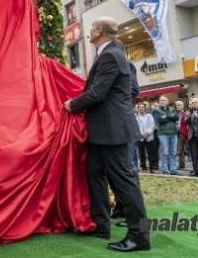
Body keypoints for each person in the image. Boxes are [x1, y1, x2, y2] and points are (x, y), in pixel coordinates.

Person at [65, 16, 150, 252]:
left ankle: (140, 235)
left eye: (92, 27)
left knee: (124, 183)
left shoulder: (111, 55)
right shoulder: (108, 54)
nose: (89, 30)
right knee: (94, 174)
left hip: (113, 130)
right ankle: (100, 224)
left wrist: (72, 104)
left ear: (99, 31)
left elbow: (98, 93)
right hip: (102, 131)